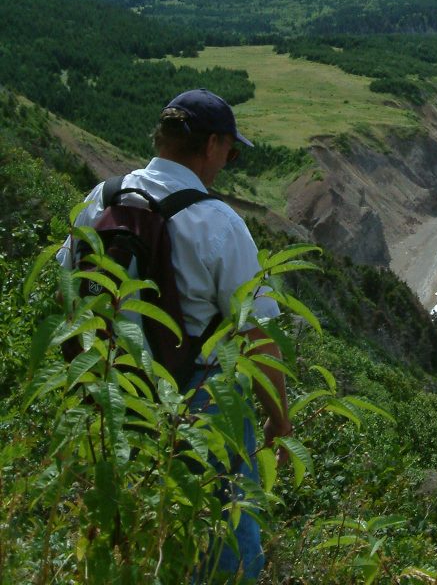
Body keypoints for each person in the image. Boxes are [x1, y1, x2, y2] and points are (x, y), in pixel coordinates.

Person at [58, 88, 291, 580]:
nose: (228, 162)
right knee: (227, 531)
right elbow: (258, 337)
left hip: (114, 394)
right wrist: (279, 419)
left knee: (132, 521)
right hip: (202, 400)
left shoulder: (100, 199)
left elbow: (68, 290)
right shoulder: (219, 223)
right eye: (230, 151)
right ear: (211, 146)